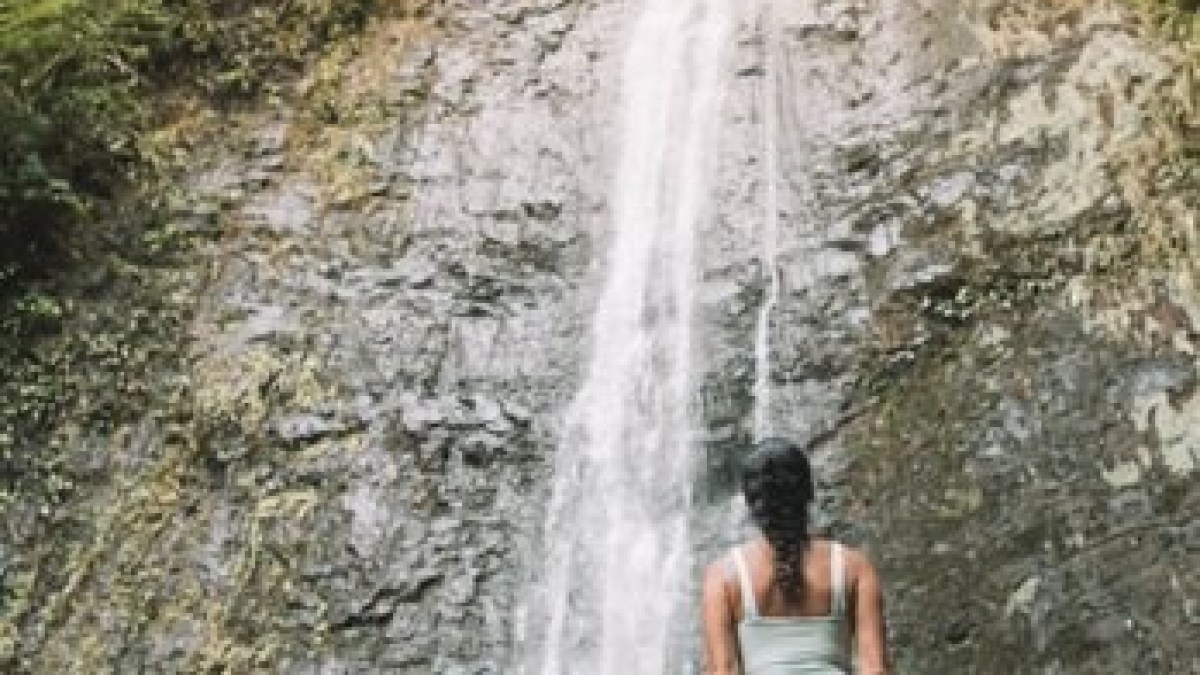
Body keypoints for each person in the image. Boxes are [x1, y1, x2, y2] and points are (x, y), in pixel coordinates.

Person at [701, 438, 889, 674]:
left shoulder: (722, 576)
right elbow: (876, 669)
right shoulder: (854, 567)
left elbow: (723, 670)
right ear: (809, 492)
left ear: (750, 503)